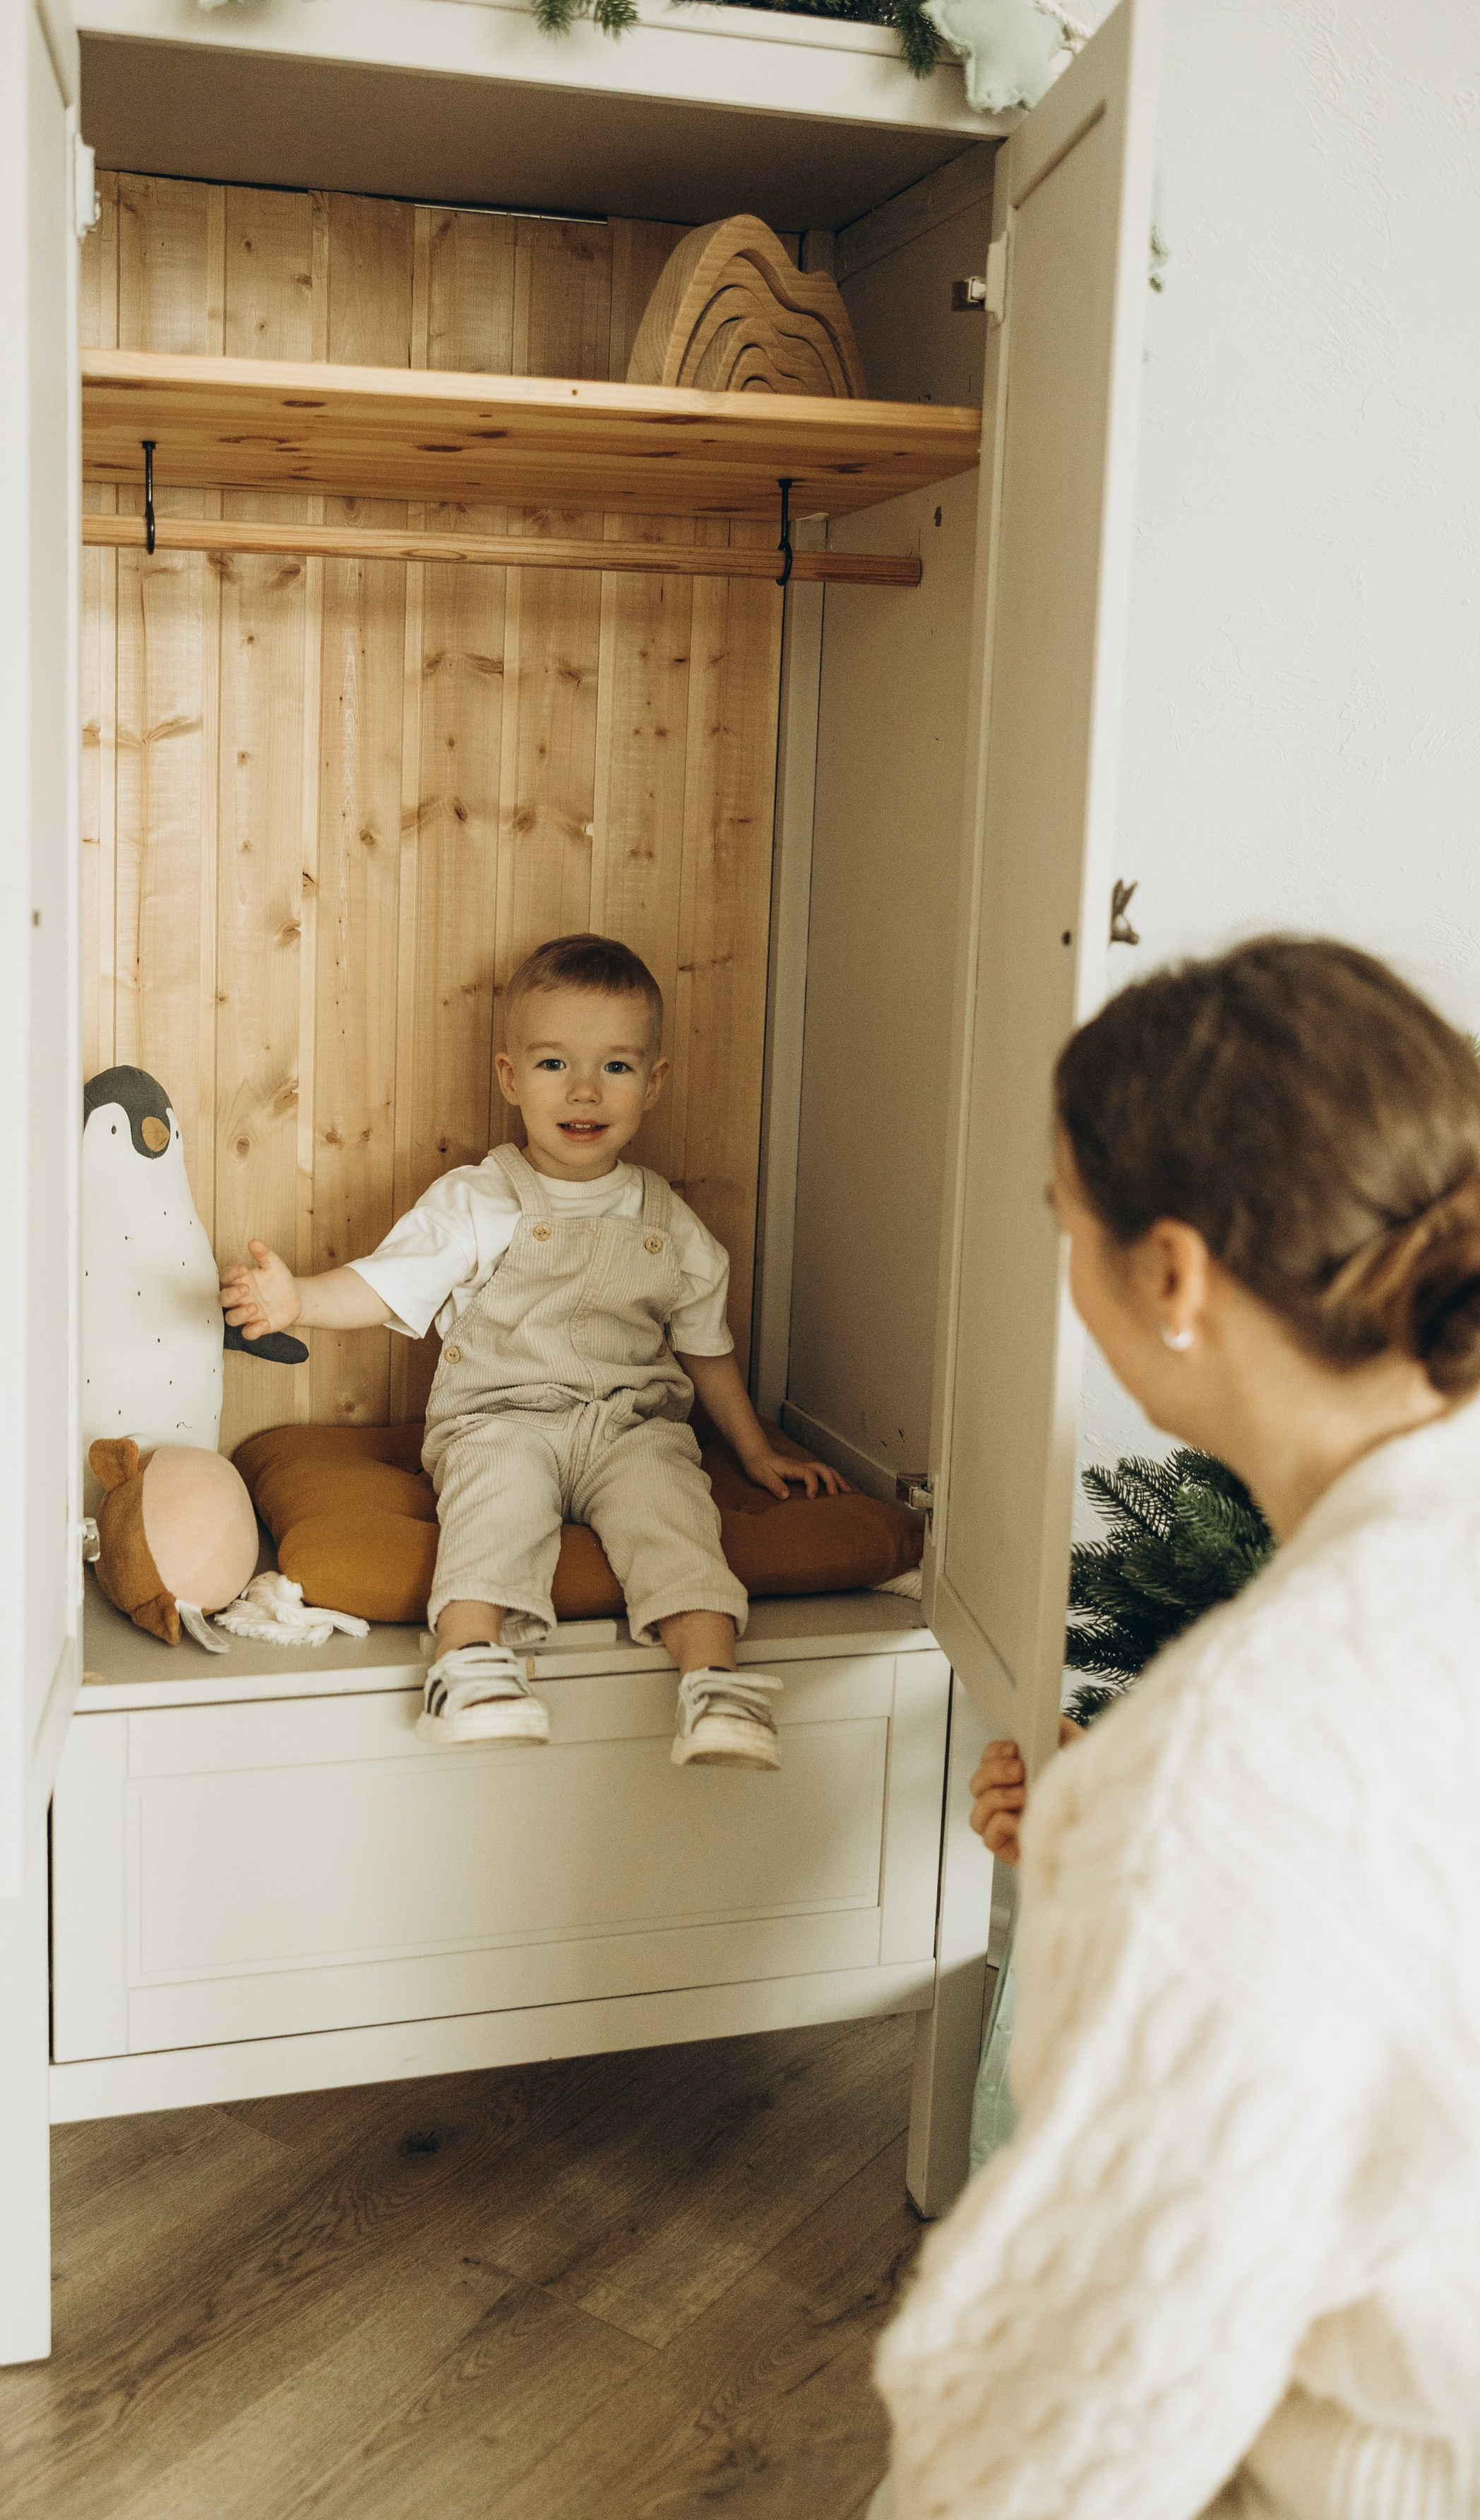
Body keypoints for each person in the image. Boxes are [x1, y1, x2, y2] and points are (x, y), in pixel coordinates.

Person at [872, 936, 1480, 2520]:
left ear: (1170, 1277)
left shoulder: (1225, 1771)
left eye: (1062, 1223)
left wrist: (1152, 1837)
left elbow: (1073, 2416)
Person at [220, 933, 843, 1766]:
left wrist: (756, 1450)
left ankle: (713, 1683)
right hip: (500, 1421)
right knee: (496, 1507)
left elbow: (707, 1349)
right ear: (510, 1077)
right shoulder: (480, 1200)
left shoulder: (671, 1222)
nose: (584, 1090)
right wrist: (298, 1300)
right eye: (554, 1064)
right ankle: (467, 1663)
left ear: (653, 1082)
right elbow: (384, 1284)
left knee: (675, 1516)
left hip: (630, 1428)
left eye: (615, 1067)